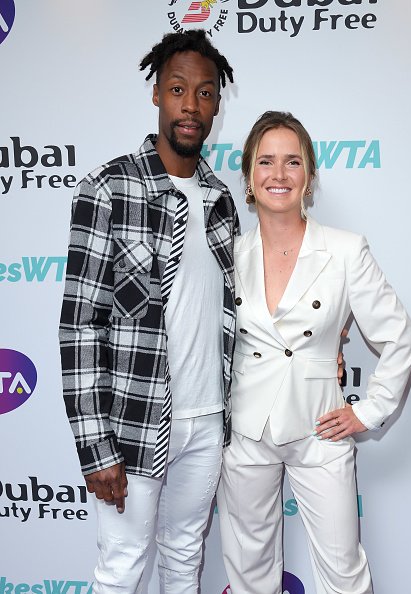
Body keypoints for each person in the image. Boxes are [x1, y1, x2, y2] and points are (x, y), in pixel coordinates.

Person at [59, 30, 237, 594]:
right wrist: (95, 446)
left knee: (184, 559)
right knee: (121, 566)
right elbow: (79, 325)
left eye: (205, 93)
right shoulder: (109, 188)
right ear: (157, 94)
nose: (191, 106)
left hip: (207, 421)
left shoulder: (222, 200)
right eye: (178, 89)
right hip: (135, 424)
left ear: (217, 105)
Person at [216, 111, 411, 594]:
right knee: (248, 572)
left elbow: (400, 338)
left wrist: (367, 411)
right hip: (245, 430)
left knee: (343, 572)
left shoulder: (346, 251)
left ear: (309, 176)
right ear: (249, 177)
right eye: (266, 161)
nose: (279, 174)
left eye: (292, 162)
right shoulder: (227, 254)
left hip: (319, 430)